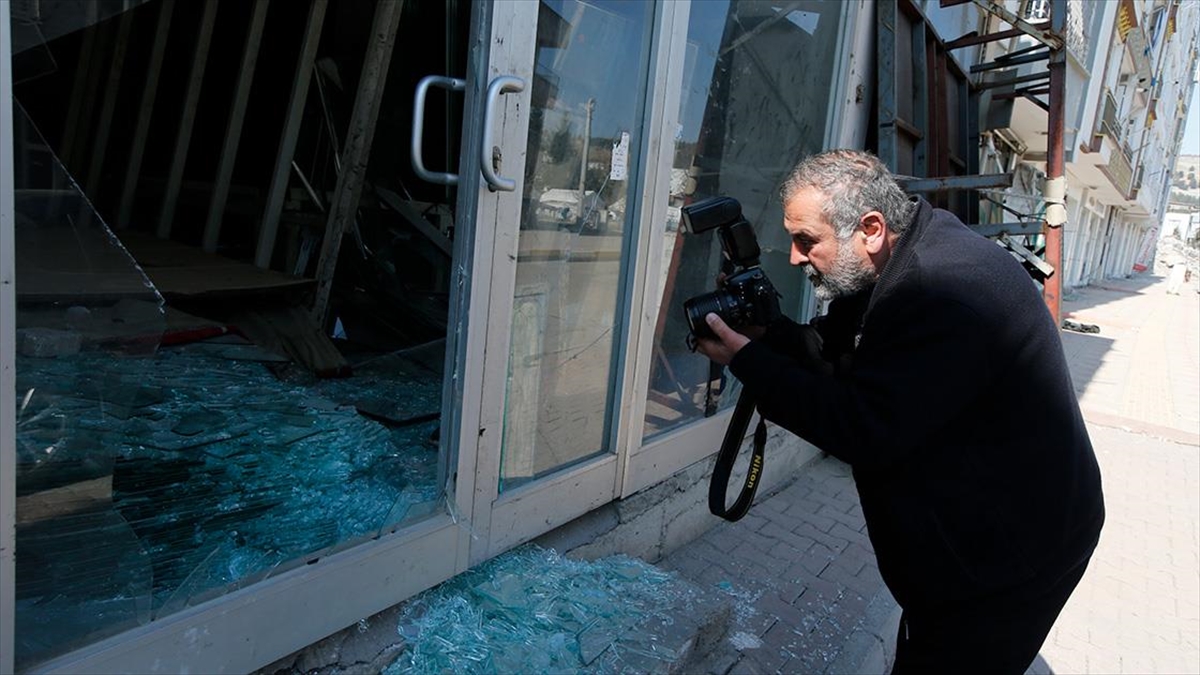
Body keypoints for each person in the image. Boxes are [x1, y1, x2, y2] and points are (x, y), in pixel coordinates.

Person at [695, 150, 1105, 673]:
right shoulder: (900, 255)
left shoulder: (943, 293)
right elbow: (834, 352)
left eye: (807, 241)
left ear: (870, 228)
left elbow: (863, 428)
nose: (796, 258)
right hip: (974, 532)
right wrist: (767, 335)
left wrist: (748, 361)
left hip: (1010, 560)